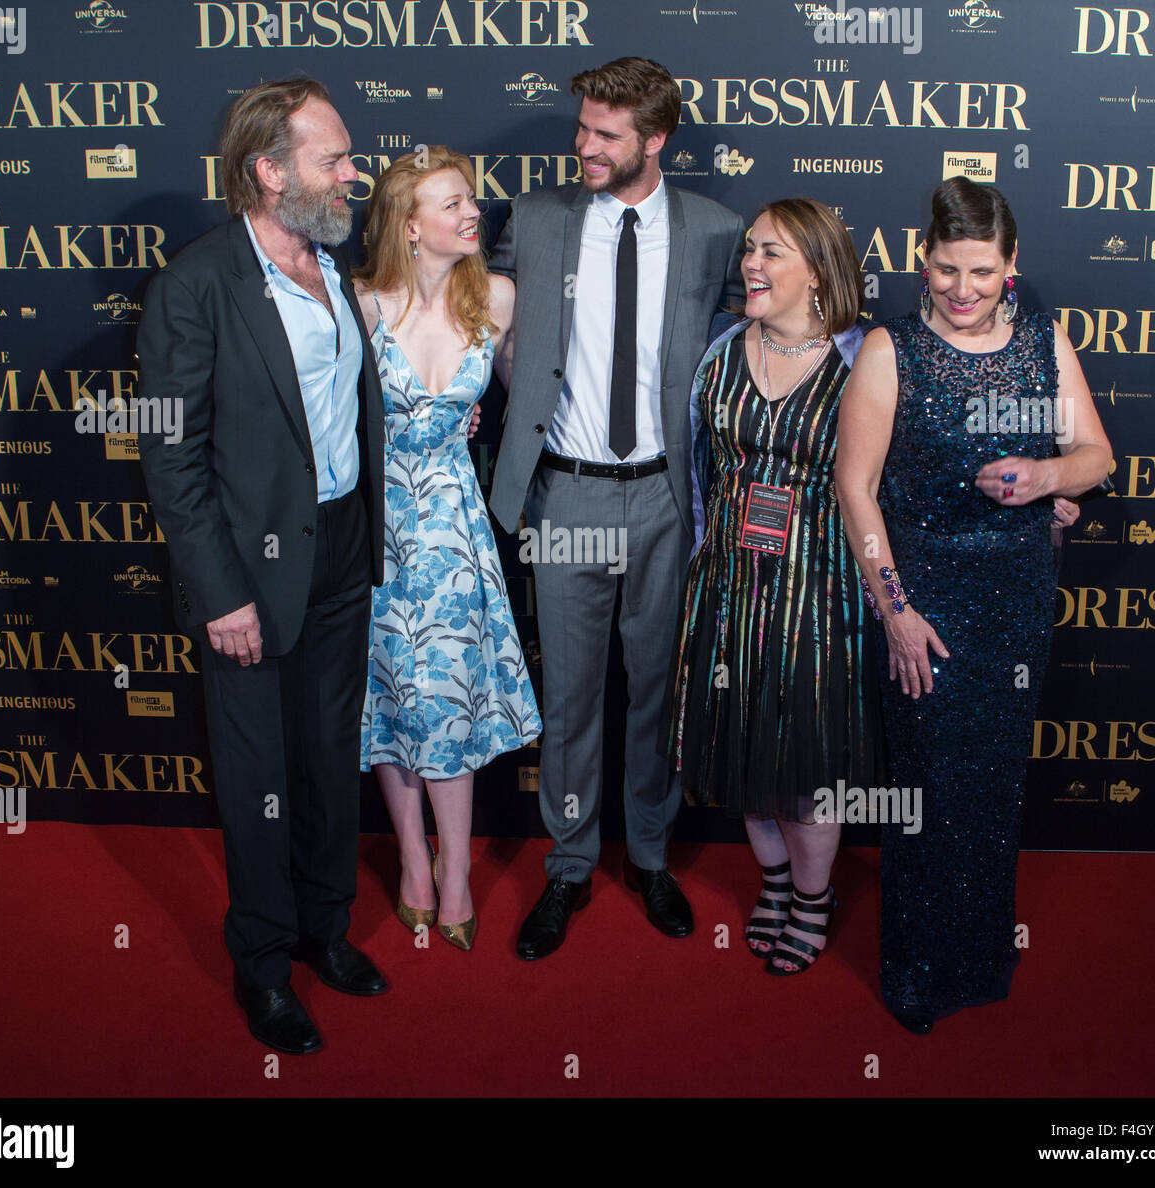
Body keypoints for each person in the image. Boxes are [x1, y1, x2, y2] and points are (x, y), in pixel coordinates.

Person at [137, 78, 388, 1056]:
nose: (350, 172)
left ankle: (327, 930)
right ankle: (264, 964)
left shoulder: (333, 270)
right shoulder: (197, 286)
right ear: (269, 171)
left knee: (328, 763)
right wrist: (219, 590)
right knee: (257, 779)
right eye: (332, 158)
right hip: (250, 577)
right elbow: (174, 457)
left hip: (338, 555)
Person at [836, 177, 1111, 1033]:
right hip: (926, 609)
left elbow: (1096, 453)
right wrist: (896, 611)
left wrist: (1045, 476)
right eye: (947, 268)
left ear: (1011, 267)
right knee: (928, 789)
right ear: (924, 260)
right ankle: (920, 973)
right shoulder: (891, 352)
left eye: (981, 272)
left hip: (1018, 602)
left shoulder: (1043, 342)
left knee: (992, 790)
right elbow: (856, 489)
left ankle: (982, 958)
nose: (961, 288)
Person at [488, 57, 745, 960]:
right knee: (570, 699)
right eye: (582, 129)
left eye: (604, 135)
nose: (583, 147)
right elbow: (468, 312)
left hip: (669, 500)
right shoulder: (536, 220)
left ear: (655, 140)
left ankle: (648, 855)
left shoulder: (717, 233)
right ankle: (566, 866)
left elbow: (758, 350)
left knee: (657, 695)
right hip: (565, 492)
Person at [667, 198, 883, 975]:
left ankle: (815, 900)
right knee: (740, 752)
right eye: (751, 249)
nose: (751, 263)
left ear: (819, 272)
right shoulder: (720, 352)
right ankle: (777, 880)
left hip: (818, 597)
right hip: (727, 591)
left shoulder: (863, 361)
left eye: (773, 253)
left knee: (807, 765)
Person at [352, 147, 542, 952]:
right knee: (393, 704)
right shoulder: (359, 304)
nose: (474, 212)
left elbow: (537, 401)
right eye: (454, 202)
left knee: (450, 710)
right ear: (408, 224)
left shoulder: (495, 297)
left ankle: (457, 869)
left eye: (473, 199)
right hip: (376, 531)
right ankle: (412, 864)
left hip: (457, 534)